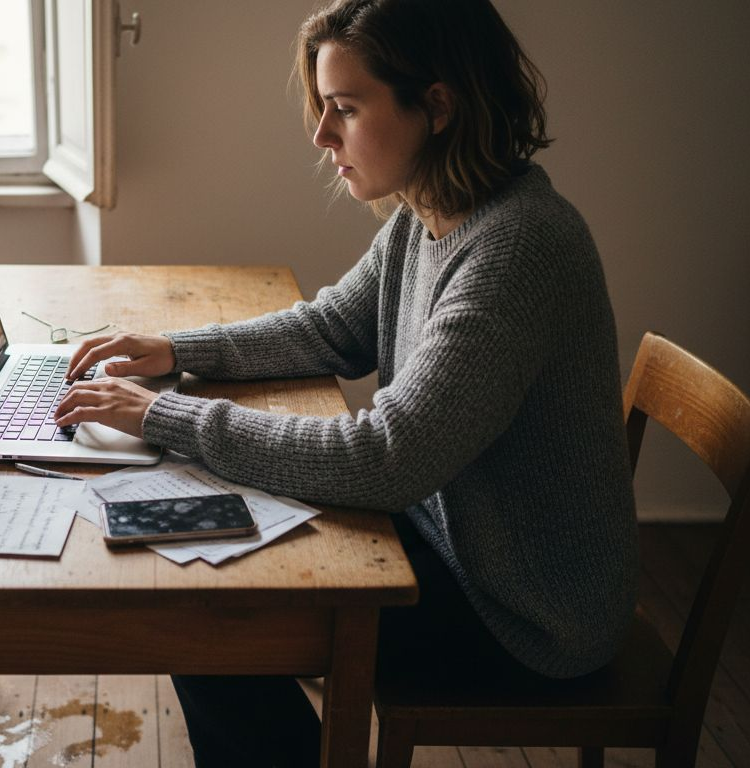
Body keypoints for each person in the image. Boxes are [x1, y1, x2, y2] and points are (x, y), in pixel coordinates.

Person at [53, 0, 639, 763]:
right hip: (449, 546)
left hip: (526, 616)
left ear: (437, 105)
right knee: (212, 579)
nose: (323, 136)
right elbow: (331, 328)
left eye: (346, 109)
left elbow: (385, 459)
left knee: (211, 626)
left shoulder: (517, 249)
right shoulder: (430, 213)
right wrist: (175, 348)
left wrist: (163, 417)